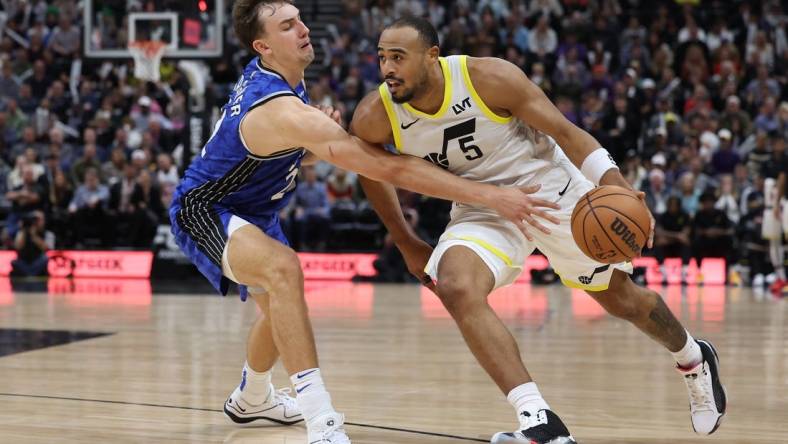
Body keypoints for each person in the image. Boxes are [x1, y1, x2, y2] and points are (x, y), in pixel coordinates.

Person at [169, 3, 550, 444]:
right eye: (288, 25)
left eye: (300, 18)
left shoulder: (281, 81)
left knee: (279, 306)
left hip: (254, 210)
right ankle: (322, 422)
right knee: (284, 271)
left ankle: (253, 398)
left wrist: (313, 144)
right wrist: (490, 195)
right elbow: (387, 169)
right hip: (207, 209)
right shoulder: (279, 106)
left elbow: (283, 149)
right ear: (263, 45)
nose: (303, 29)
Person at [349, 16, 726, 443]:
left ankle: (694, 357)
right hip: (483, 208)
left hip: (552, 192)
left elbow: (565, 132)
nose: (387, 68)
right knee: (454, 285)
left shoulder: (488, 77)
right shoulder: (375, 114)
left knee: (622, 300)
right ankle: (538, 419)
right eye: (381, 57)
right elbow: (369, 169)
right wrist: (405, 241)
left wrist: (615, 183)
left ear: (432, 56)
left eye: (398, 57)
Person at [11, 210, 53, 277]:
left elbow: (47, 249)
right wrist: (23, 230)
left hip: (38, 263)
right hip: (24, 262)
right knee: (15, 262)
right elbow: (17, 247)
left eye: (38, 219)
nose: (36, 222)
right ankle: (30, 274)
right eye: (34, 219)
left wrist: (34, 235)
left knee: (45, 259)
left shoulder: (48, 234)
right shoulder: (22, 232)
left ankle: (30, 274)